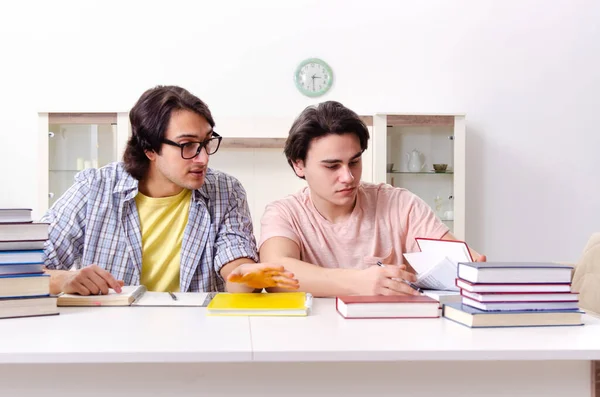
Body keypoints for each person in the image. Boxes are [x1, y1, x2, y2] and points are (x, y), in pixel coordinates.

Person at [42, 85, 298, 296]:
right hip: (112, 338)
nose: (203, 158)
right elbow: (20, 270)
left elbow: (235, 263)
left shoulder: (226, 191)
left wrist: (244, 276)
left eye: (207, 142)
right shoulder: (95, 188)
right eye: (187, 145)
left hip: (197, 338)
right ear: (149, 149)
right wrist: (64, 279)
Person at [258, 101, 485, 298]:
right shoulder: (284, 213)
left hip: (392, 334)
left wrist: (470, 267)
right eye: (332, 166)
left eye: (354, 162)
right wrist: (358, 282)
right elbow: (275, 275)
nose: (348, 177)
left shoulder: (400, 204)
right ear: (299, 165)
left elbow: (457, 259)